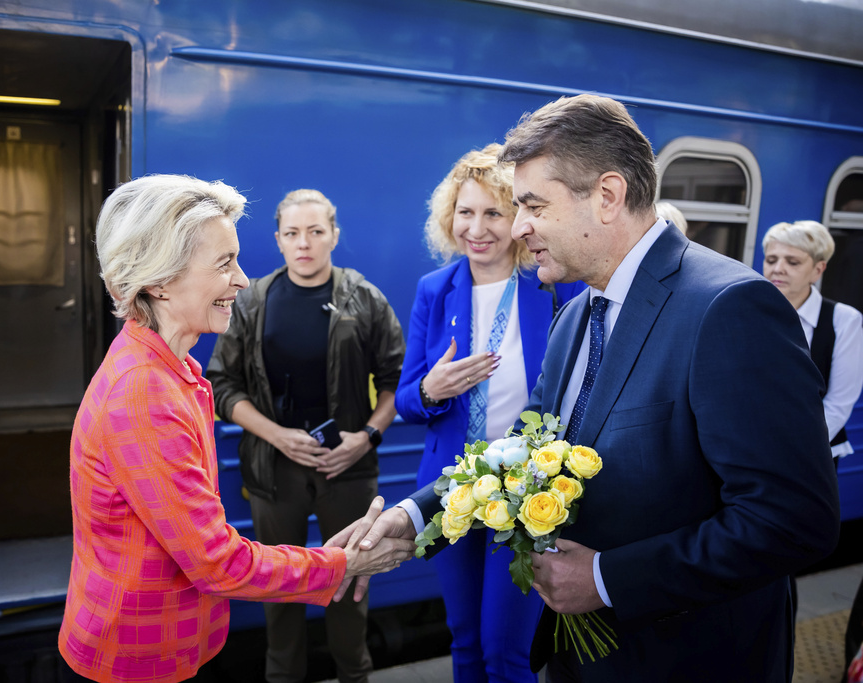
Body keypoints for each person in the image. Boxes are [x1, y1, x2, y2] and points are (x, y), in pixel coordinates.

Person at [330, 94, 841, 682]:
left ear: (606, 196)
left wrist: (606, 579)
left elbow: (792, 519)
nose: (517, 228)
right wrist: (413, 519)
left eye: (532, 206)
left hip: (683, 661)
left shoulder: (730, 307)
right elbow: (521, 453)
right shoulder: (575, 316)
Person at [57, 175, 414, 683]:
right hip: (136, 659)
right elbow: (216, 562)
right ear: (158, 280)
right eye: (224, 263)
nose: (242, 280)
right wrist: (340, 563)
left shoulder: (173, 370)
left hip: (166, 643)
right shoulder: (144, 395)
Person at [394, 143, 582, 682]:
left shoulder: (552, 285)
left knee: (508, 653)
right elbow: (407, 400)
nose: (477, 228)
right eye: (466, 212)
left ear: (519, 218)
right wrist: (431, 389)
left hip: (528, 490)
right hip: (450, 489)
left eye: (493, 213)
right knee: (467, 642)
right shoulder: (435, 289)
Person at [206, 188, 405, 683]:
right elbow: (221, 386)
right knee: (279, 596)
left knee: (350, 589)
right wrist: (277, 435)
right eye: (293, 233)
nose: (305, 243)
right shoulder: (251, 300)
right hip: (275, 473)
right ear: (277, 240)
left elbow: (396, 382)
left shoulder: (363, 296)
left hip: (349, 470)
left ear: (334, 234)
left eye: (316, 231)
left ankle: (354, 673)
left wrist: (366, 437)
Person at [762, 220, 863, 459]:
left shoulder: (843, 320)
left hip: (811, 455)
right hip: (752, 450)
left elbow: (838, 403)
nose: (778, 269)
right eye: (771, 260)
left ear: (818, 269)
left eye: (793, 262)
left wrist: (789, 449)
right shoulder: (748, 312)